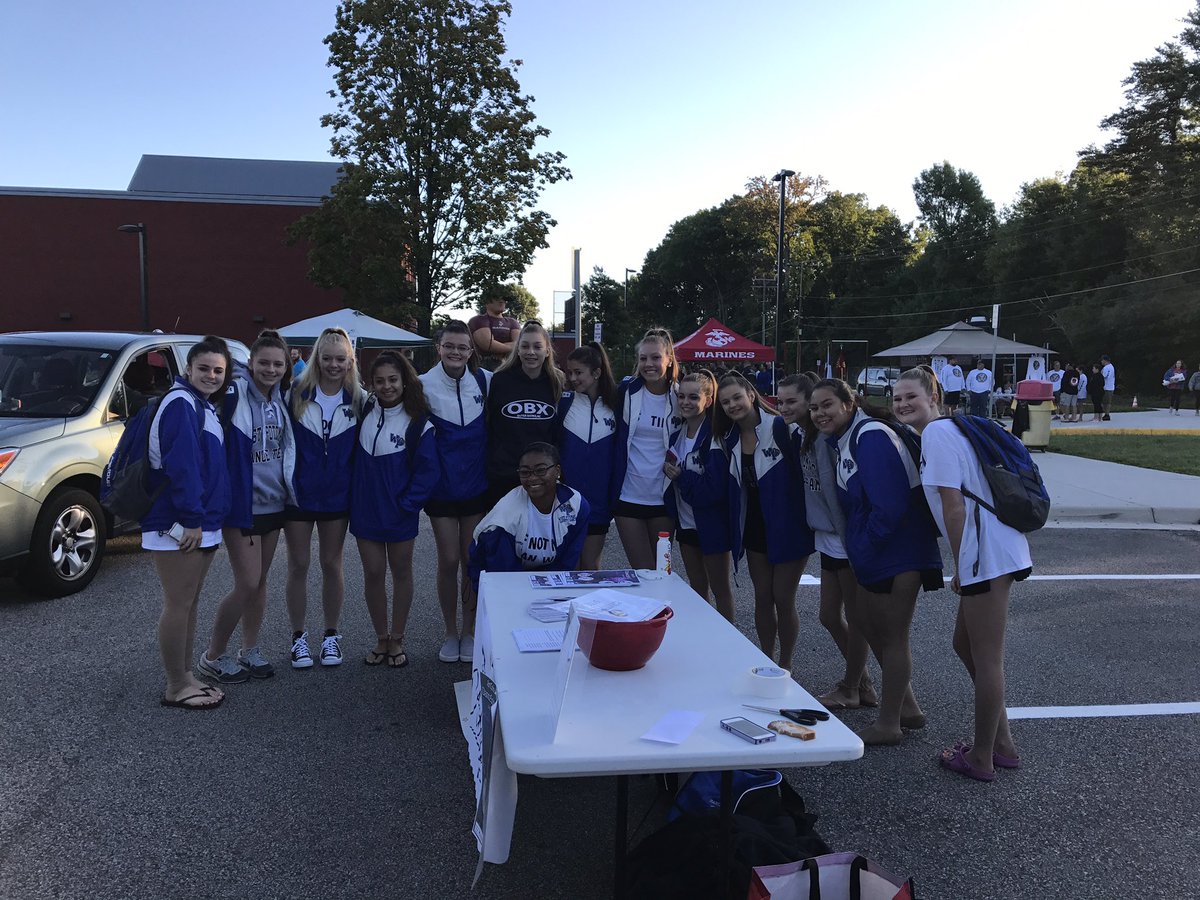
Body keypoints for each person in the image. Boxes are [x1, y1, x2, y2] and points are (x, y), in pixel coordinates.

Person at [893, 367, 1031, 781]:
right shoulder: (948, 431)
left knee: (987, 658)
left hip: (984, 553)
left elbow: (953, 508)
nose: (902, 404)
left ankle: (982, 757)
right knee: (964, 644)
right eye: (897, 398)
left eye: (911, 396)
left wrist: (961, 565)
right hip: (991, 548)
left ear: (933, 396)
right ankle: (1002, 744)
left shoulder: (937, 435)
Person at [809, 378, 941, 746]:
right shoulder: (847, 438)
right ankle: (908, 708)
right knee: (867, 624)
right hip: (879, 552)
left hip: (899, 552)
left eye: (827, 405)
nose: (819, 413)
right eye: (814, 408)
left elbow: (890, 506)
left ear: (849, 404)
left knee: (893, 636)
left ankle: (889, 724)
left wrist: (863, 547)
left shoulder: (870, 436)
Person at [199, 330, 296, 684]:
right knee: (247, 582)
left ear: (286, 366)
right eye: (264, 363)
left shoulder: (281, 398)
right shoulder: (234, 393)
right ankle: (212, 655)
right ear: (251, 363)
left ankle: (249, 649)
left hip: (274, 503)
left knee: (259, 582)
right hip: (242, 505)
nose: (271, 369)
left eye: (277, 364)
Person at [777, 374, 876, 710]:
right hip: (827, 537)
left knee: (857, 618)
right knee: (829, 616)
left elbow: (839, 493)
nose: (784, 408)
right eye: (780, 401)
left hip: (843, 538)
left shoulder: (825, 439)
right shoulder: (805, 434)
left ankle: (853, 686)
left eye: (793, 402)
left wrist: (852, 542)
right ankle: (862, 683)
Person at [145, 336, 234, 709]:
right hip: (179, 523)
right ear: (188, 368)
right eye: (204, 368)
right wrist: (193, 520)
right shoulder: (181, 403)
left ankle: (185, 675)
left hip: (199, 521)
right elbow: (182, 468)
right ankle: (176, 685)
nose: (211, 375)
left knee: (189, 602)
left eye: (218, 370)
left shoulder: (201, 404)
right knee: (178, 603)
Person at [713, 373, 813, 671]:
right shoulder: (727, 437)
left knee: (783, 597)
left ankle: (786, 664)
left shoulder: (781, 428)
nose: (732, 405)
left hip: (790, 526)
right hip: (755, 526)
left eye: (737, 397)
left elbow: (808, 472)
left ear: (751, 395)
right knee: (762, 597)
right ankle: (766, 659)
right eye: (725, 402)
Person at [351, 351, 440, 669]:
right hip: (365, 510)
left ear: (404, 381)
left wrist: (408, 505)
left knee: (401, 572)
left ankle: (398, 638)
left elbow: (429, 472)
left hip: (400, 512)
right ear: (371, 384)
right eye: (380, 381)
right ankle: (381, 638)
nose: (386, 386)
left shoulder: (418, 422)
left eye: (393, 380)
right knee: (373, 573)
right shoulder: (364, 409)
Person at [283, 326, 366, 669]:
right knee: (298, 565)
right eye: (327, 358)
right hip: (299, 495)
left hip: (337, 497)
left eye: (340, 359)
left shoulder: (360, 399)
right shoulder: (295, 394)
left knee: (332, 564)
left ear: (350, 362)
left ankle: (331, 635)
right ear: (317, 359)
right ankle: (298, 637)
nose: (333, 365)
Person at [421, 321, 492, 664]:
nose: (455, 352)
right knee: (448, 560)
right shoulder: (422, 384)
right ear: (439, 347)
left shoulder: (485, 380)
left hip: (476, 487)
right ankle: (450, 632)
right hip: (441, 490)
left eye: (462, 347)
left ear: (471, 351)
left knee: (470, 561)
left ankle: (470, 631)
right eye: (449, 346)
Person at [663, 370, 733, 621]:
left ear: (708, 400)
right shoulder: (677, 434)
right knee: (697, 587)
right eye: (681, 396)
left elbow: (714, 489)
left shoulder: (714, 437)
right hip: (685, 523)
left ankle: (727, 639)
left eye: (693, 397)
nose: (685, 402)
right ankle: (703, 634)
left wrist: (681, 477)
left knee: (720, 589)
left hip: (712, 524)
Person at [468, 443, 590, 585]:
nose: (532, 478)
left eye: (541, 470)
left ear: (557, 471)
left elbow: (566, 563)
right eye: (525, 472)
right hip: (496, 572)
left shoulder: (576, 506)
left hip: (541, 570)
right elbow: (504, 576)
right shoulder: (505, 517)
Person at [613, 328, 680, 569]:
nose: (648, 364)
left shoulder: (680, 396)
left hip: (663, 498)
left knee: (662, 571)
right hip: (628, 496)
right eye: (643, 358)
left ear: (669, 359)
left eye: (655, 357)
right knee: (642, 572)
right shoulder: (626, 391)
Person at [485, 321, 565, 506]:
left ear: (547, 351)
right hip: (503, 474)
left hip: (542, 477)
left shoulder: (557, 382)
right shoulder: (500, 380)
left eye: (537, 346)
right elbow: (489, 426)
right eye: (525, 346)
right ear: (518, 350)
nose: (531, 352)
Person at [557, 342, 618, 570]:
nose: (572, 378)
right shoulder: (564, 402)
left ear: (597, 373)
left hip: (599, 503)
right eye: (569, 372)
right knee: (569, 565)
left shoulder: (617, 404)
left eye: (578, 372)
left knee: (591, 567)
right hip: (566, 501)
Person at [469, 288, 520, 370]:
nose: (502, 301)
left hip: (509, 366)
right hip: (483, 366)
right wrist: (513, 347)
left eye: (504, 299)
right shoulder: (478, 320)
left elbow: (519, 343)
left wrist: (501, 347)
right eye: (497, 298)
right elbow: (487, 345)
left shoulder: (512, 322)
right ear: (487, 301)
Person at [1100, 354, 1115, 421]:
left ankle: (1107, 414)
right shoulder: (1111, 366)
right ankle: (1106, 414)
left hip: (1107, 387)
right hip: (1109, 387)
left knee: (1106, 402)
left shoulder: (1107, 367)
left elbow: (1105, 376)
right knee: (1106, 402)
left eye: (1102, 360)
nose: (1101, 362)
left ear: (1105, 360)